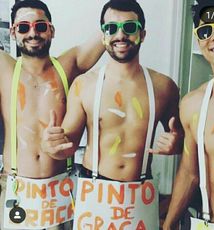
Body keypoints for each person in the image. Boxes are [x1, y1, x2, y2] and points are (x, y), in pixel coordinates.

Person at [42, 0, 183, 228]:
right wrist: (52, 146)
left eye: (129, 28)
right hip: (95, 191)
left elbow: (181, 141)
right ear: (103, 35)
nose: (120, 35)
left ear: (142, 34)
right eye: (111, 28)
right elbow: (67, 145)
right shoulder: (84, 85)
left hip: (140, 194)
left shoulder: (164, 87)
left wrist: (176, 144)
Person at [0, 0, 104, 229]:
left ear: (51, 30)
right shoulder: (3, 67)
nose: (33, 33)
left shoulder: (69, 64)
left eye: (40, 25)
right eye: (24, 27)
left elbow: (110, 25)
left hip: (59, 188)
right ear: (13, 32)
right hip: (17, 188)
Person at [163, 0, 214, 229]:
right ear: (199, 40)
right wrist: (167, 225)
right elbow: (189, 173)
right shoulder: (193, 105)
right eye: (205, 30)